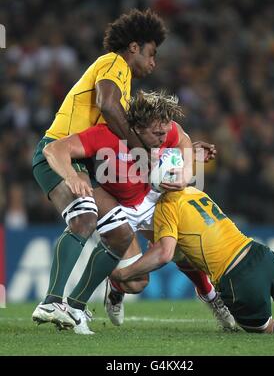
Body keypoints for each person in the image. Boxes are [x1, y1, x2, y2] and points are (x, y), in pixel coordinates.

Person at [38, 90, 236, 333]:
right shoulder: (106, 135)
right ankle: (116, 287)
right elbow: (53, 150)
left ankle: (210, 296)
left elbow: (182, 139)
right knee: (138, 283)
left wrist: (185, 174)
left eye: (165, 131)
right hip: (119, 208)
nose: (164, 139)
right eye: (157, 134)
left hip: (152, 200)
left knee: (185, 250)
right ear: (137, 128)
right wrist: (71, 176)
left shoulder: (165, 130)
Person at [31, 8, 167, 333]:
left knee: (120, 236)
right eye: (151, 53)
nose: (154, 62)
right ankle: (51, 300)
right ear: (133, 47)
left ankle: (75, 308)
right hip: (58, 152)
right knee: (84, 219)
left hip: (83, 162)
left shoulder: (123, 77)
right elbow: (108, 105)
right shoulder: (113, 64)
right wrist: (139, 148)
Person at [110, 186, 274, 334]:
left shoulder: (165, 206)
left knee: (267, 328)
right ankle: (208, 293)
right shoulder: (195, 191)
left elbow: (163, 254)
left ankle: (208, 293)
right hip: (260, 253)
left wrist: (121, 274)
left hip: (238, 279)